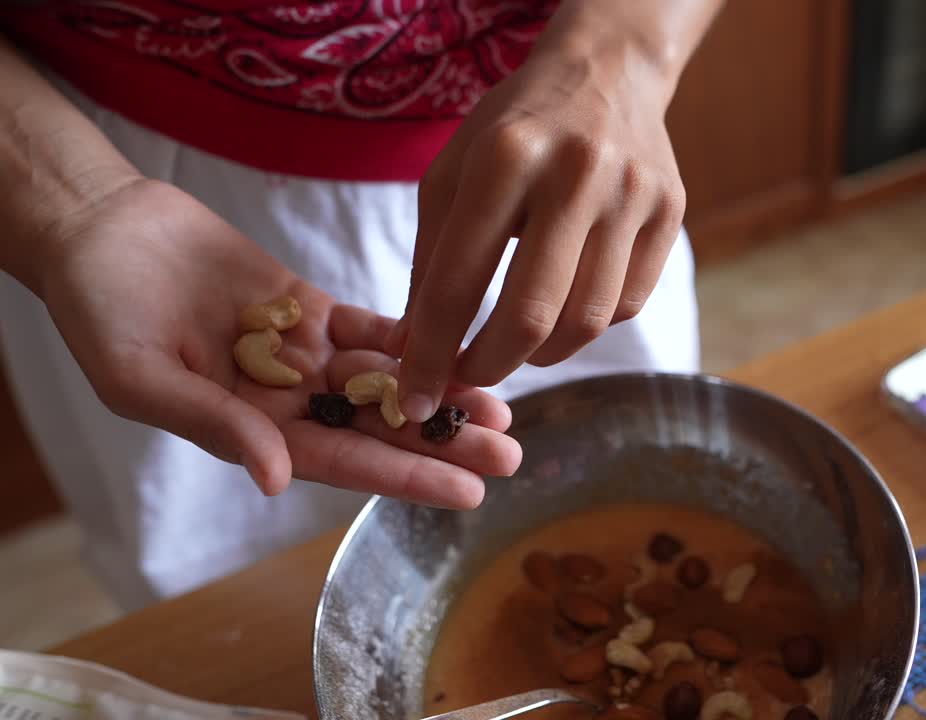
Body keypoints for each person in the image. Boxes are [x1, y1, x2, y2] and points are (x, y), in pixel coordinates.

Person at [0, 0, 723, 610]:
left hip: (564, 168)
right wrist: (80, 206)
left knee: (608, 515)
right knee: (236, 609)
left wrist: (622, 56)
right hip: (91, 165)